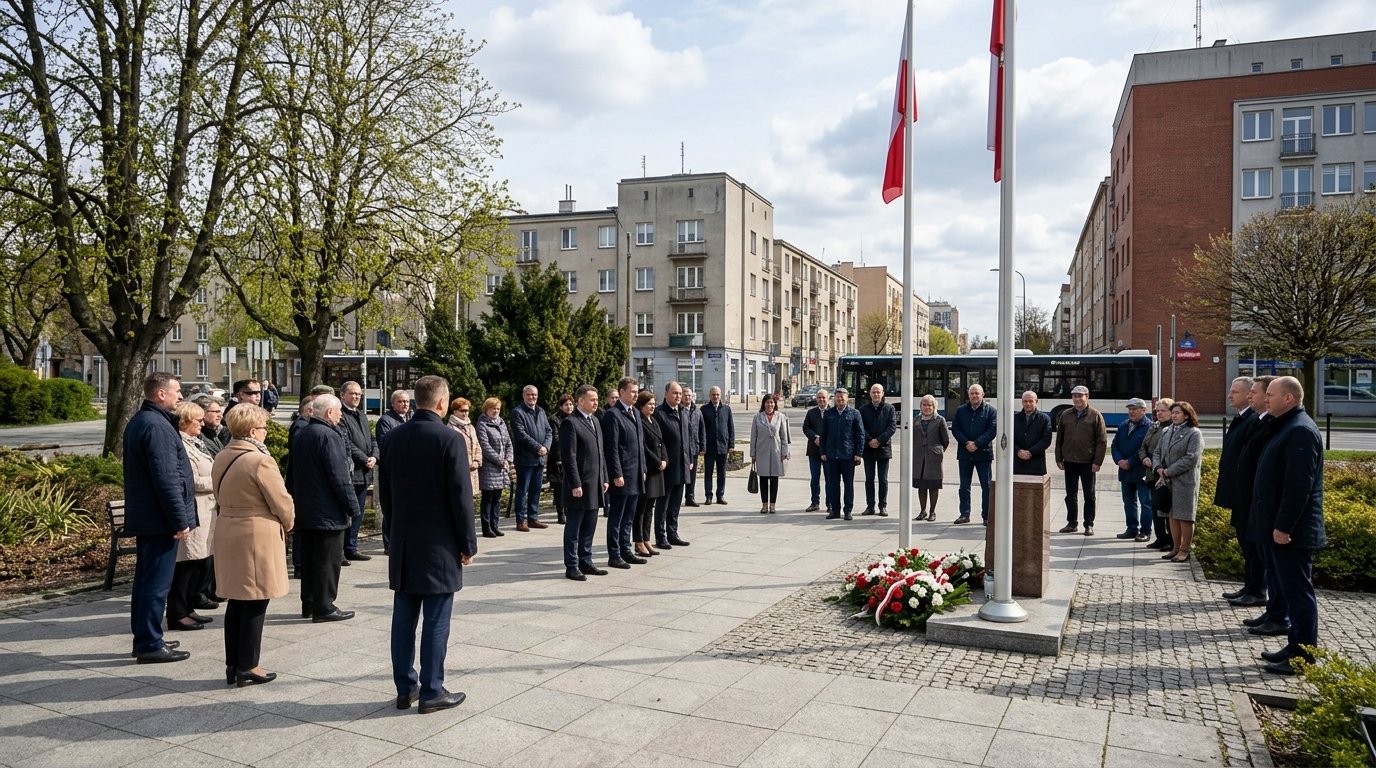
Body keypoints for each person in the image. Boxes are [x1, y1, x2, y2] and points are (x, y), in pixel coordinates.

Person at [379, 374, 477, 712]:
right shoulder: (450, 440)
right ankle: (433, 689)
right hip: (439, 545)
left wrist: (392, 535)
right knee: (436, 618)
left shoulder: (393, 438)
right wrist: (468, 543)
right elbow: (461, 497)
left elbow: (386, 495)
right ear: (441, 403)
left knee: (404, 618)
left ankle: (405, 688)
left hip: (405, 543)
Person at [212, 403, 294, 687]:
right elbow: (280, 500)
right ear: (252, 430)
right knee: (257, 599)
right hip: (256, 533)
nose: (265, 433)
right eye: (263, 428)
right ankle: (249, 664)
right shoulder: (260, 460)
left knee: (236, 600)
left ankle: (233, 663)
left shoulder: (223, 454)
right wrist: (289, 521)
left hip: (228, 528)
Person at [1252, 377, 1325, 675]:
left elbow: (1298, 487)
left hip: (1292, 533)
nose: (1266, 399)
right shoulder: (1286, 425)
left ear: (1289, 398)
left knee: (1299, 593)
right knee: (1291, 589)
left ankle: (1303, 656)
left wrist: (1283, 526)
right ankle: (1295, 645)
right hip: (1282, 529)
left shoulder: (1301, 431)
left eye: (1271, 394)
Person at [124, 372, 197, 664]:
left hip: (151, 517)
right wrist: (179, 520)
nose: (181, 396)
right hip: (159, 519)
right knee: (155, 583)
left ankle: (145, 636)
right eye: (177, 391)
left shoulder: (147, 421)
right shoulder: (156, 426)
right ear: (161, 394)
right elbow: (166, 478)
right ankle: (150, 643)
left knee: (146, 582)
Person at [287, 394, 359, 622]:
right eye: (338, 412)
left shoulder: (303, 432)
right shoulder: (328, 435)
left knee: (310, 560)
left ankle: (309, 603)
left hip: (307, 509)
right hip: (327, 511)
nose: (340, 416)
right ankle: (324, 606)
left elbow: (292, 474)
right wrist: (352, 507)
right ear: (329, 413)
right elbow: (339, 477)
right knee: (328, 561)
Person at [167, 401, 217, 633]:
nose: (202, 423)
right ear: (185, 422)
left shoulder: (196, 443)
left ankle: (188, 608)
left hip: (207, 510)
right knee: (187, 564)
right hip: (195, 509)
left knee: (199, 563)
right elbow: (190, 480)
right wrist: (217, 482)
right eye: (197, 420)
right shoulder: (181, 445)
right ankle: (178, 612)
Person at [1216, 378, 1264, 607]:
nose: (1229, 396)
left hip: (1246, 495)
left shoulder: (1253, 420)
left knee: (1252, 546)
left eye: (1234, 392)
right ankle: (1250, 586)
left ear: (1248, 394)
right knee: (1246, 544)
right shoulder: (1244, 418)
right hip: (1238, 493)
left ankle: (1256, 590)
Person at [560, 385, 609, 581]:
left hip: (595, 483)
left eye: (597, 399)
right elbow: (569, 457)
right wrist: (575, 483)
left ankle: (585, 560)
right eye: (592, 399)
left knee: (590, 524)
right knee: (574, 526)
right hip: (579, 486)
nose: (596, 402)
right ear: (581, 401)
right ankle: (571, 565)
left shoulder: (596, 421)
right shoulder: (570, 423)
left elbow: (600, 452)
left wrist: (604, 477)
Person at [602, 377, 645, 568]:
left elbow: (640, 444)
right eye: (632, 391)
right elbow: (612, 448)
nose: (636, 394)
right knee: (617, 517)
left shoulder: (635, 412)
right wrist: (616, 474)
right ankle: (614, 554)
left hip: (635, 473)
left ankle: (626, 550)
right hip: (622, 475)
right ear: (621, 392)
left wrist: (643, 468)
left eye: (637, 391)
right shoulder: (613, 414)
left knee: (629, 516)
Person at [1055, 385, 1108, 535]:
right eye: (1074, 396)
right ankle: (1071, 523)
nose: (1077, 399)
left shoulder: (1095, 415)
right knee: (1070, 495)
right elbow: (1059, 439)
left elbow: (1102, 441)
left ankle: (1088, 524)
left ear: (1087, 396)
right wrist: (1059, 458)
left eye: (1080, 395)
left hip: (1088, 463)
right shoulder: (1065, 415)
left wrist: (1097, 462)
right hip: (1069, 462)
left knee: (1089, 495)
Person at [1153, 401, 1202, 562]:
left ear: (1187, 415)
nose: (1174, 415)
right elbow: (1157, 451)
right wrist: (1158, 467)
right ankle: (1175, 548)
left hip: (1185, 481)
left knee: (1184, 516)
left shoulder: (1193, 433)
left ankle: (1185, 550)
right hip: (1167, 481)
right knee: (1171, 515)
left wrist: (1169, 471)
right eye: (1172, 412)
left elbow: (1191, 458)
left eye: (1177, 413)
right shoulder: (1167, 431)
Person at [337, 381, 377, 563]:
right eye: (352, 394)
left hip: (365, 472)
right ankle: (342, 550)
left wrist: (375, 456)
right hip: (352, 473)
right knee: (348, 513)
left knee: (359, 513)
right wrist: (364, 458)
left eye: (359, 395)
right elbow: (346, 442)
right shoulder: (341, 415)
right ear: (342, 395)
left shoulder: (361, 415)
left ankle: (352, 547)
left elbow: (372, 439)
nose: (356, 397)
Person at [654, 381, 693, 548]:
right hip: (667, 467)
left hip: (682, 465)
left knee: (676, 504)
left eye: (680, 393)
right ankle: (660, 536)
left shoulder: (684, 412)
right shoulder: (660, 413)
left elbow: (688, 438)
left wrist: (690, 458)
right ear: (666, 394)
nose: (678, 396)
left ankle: (673, 533)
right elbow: (658, 441)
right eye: (675, 393)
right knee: (663, 504)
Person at [1110, 397, 1155, 541]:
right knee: (1129, 502)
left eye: (1134, 408)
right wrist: (1119, 460)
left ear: (1143, 410)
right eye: (1129, 408)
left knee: (1145, 502)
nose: (1131, 411)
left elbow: (1146, 449)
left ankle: (1146, 531)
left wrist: (1130, 461)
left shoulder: (1150, 427)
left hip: (1141, 471)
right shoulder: (1123, 425)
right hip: (1125, 471)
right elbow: (1115, 445)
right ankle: (1131, 528)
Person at [375, 389, 413, 555]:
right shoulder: (386, 421)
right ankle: (389, 544)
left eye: (406, 401)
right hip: (392, 472)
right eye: (401, 401)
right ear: (393, 403)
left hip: (410, 471)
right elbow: (386, 446)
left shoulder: (411, 419)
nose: (404, 404)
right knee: (390, 509)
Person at [952, 384, 996, 525]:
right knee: (964, 486)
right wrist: (966, 443)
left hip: (983, 454)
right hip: (965, 453)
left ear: (983, 394)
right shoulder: (961, 410)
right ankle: (964, 514)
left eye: (977, 393)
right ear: (968, 395)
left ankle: (987, 516)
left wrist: (976, 443)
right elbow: (955, 429)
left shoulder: (991, 411)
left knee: (987, 486)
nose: (974, 396)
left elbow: (992, 430)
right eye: (972, 393)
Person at [510, 385, 553, 531]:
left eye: (534, 395)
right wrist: (538, 448)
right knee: (522, 490)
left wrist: (546, 447)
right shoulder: (517, 412)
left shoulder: (541, 411)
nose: (532, 397)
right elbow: (521, 435)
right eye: (529, 395)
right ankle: (520, 520)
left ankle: (533, 518)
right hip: (525, 459)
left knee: (536, 490)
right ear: (523, 395)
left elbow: (548, 431)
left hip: (540, 459)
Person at [819, 387, 864, 521]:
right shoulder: (829, 413)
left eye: (842, 397)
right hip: (832, 455)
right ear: (835, 399)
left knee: (848, 484)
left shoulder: (854, 413)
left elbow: (860, 434)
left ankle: (848, 510)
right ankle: (835, 510)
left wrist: (858, 453)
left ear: (847, 398)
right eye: (838, 397)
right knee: (833, 484)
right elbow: (823, 434)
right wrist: (822, 451)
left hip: (848, 455)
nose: (840, 399)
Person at [1138, 398, 1175, 551]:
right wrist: (1144, 457)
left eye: (1163, 410)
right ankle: (1160, 538)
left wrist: (1159, 465)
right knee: (1155, 506)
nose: (1159, 413)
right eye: (1157, 411)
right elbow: (1143, 447)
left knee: (1166, 508)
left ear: (1171, 412)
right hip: (1151, 473)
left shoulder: (1173, 429)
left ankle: (1171, 540)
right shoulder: (1154, 427)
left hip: (1166, 474)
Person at [475, 397, 514, 538]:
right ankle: (487, 528)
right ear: (486, 409)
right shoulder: (482, 424)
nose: (496, 411)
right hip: (489, 467)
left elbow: (509, 442)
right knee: (488, 498)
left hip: (502, 467)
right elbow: (485, 447)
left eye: (498, 409)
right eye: (493, 409)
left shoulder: (501, 423)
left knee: (497, 498)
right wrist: (500, 460)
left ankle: (495, 525)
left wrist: (508, 459)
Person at [634, 391, 666, 557]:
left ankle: (646, 538)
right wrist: (657, 461)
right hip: (649, 468)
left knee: (649, 508)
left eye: (654, 404)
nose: (653, 407)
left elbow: (661, 442)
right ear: (641, 405)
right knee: (641, 507)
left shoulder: (653, 420)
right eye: (649, 404)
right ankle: (638, 540)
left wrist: (664, 459)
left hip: (658, 469)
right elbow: (643, 447)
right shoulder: (639, 420)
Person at [858, 384, 897, 517]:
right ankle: (870, 506)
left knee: (883, 479)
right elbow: (860, 427)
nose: (876, 395)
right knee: (869, 479)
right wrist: (870, 440)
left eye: (878, 392)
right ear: (870, 394)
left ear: (883, 393)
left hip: (883, 449)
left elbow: (892, 427)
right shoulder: (863, 409)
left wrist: (879, 440)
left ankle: (883, 506)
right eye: (873, 392)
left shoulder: (889, 408)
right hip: (868, 449)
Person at [911, 394, 950, 521]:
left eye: (930, 405)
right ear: (920, 406)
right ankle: (923, 511)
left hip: (934, 458)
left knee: (933, 485)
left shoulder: (940, 420)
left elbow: (946, 440)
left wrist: (938, 451)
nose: (927, 407)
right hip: (919, 457)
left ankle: (933, 512)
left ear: (934, 407)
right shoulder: (915, 420)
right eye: (925, 405)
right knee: (921, 485)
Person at [749, 394, 790, 514]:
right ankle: (764, 504)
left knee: (774, 479)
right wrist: (753, 454)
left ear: (775, 404)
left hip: (776, 452)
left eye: (772, 402)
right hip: (762, 452)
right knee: (763, 479)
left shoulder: (780, 417)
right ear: (763, 404)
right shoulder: (757, 417)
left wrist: (784, 451)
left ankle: (773, 505)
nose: (770, 405)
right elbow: (753, 437)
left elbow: (784, 436)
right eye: (767, 402)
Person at [446, 398, 483, 511]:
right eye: (462, 410)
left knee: (469, 502)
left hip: (472, 469)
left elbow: (477, 445)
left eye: (467, 410)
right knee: (459, 502)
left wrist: (477, 461)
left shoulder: (470, 427)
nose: (465, 413)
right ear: (455, 411)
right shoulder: (450, 428)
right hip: (460, 470)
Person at [700, 386, 734, 505]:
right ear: (710, 396)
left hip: (722, 447)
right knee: (708, 473)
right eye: (713, 395)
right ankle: (708, 496)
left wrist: (731, 444)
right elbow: (701, 429)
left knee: (722, 473)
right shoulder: (704, 409)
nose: (715, 397)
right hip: (709, 448)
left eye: (717, 395)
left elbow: (730, 428)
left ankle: (720, 495)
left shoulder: (726, 409)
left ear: (721, 395)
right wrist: (702, 446)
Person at [548, 394, 576, 525]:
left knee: (571, 486)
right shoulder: (555, 419)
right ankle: (561, 513)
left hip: (573, 457)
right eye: (566, 405)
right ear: (561, 406)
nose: (569, 407)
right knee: (559, 488)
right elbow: (556, 439)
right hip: (558, 459)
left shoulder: (576, 418)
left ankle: (570, 510)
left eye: (571, 404)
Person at [802, 388, 829, 513]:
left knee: (830, 478)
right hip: (814, 450)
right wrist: (814, 437)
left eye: (823, 397)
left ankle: (830, 503)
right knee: (815, 478)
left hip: (829, 451)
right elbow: (806, 427)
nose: (821, 400)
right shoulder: (811, 412)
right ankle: (814, 502)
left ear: (828, 399)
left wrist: (824, 439)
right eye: (819, 398)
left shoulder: (833, 412)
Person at [1012, 391, 1052, 476]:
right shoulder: (1014, 418)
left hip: (1036, 463)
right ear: (1022, 402)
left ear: (1036, 402)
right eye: (1025, 401)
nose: (1028, 404)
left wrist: (1030, 452)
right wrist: (1018, 451)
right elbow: (1009, 438)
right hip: (1017, 463)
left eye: (1031, 401)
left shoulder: (1045, 419)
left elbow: (1046, 440)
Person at [682, 388, 704, 507]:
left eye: (689, 396)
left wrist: (702, 446)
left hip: (694, 448)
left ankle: (690, 497)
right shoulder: (679, 410)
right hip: (682, 450)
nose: (688, 398)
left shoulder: (697, 411)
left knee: (692, 476)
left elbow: (702, 430)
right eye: (685, 395)